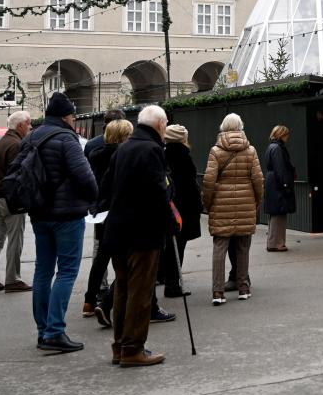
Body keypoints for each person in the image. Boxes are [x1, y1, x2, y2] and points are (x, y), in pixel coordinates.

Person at [99, 105, 174, 367]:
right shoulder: (152, 150)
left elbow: (106, 187)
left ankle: (120, 346)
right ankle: (133, 349)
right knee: (141, 292)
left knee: (122, 289)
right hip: (143, 232)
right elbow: (158, 192)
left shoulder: (123, 148)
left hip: (118, 230)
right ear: (161, 125)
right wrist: (170, 223)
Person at [27, 92, 98, 354]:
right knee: (67, 271)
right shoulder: (67, 139)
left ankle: (42, 331)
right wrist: (93, 197)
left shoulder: (32, 136)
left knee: (42, 271)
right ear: (66, 116)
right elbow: (85, 176)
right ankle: (55, 331)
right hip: (67, 215)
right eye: (72, 115)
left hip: (39, 213)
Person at [203, 113, 264, 305]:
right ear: (241, 127)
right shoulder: (251, 150)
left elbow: (208, 181)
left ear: (223, 127)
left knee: (219, 249)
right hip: (246, 202)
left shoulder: (215, 151)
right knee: (243, 248)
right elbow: (258, 179)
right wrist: (256, 201)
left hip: (221, 204)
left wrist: (208, 203)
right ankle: (243, 288)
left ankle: (218, 292)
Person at [84, 118, 132, 324]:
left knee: (102, 257)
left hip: (101, 210)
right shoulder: (125, 155)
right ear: (123, 136)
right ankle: (109, 303)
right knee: (128, 261)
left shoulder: (95, 153)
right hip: (120, 211)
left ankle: (89, 300)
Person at [0, 110, 33, 294]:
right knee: (15, 239)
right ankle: (13, 279)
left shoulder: (1, 142)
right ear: (20, 125)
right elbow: (18, 176)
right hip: (10, 199)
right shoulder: (16, 144)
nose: (30, 127)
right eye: (28, 124)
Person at [160, 123, 201, 297]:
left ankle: (165, 277)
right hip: (182, 208)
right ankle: (173, 283)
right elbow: (190, 185)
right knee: (178, 246)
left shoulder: (162, 154)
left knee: (168, 245)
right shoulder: (184, 156)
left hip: (168, 205)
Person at [264, 125, 297, 251]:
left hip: (272, 183)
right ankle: (277, 243)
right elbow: (280, 168)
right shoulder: (278, 148)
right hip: (278, 185)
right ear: (281, 134)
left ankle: (274, 242)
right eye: (286, 134)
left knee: (275, 214)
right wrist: (286, 184)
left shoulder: (272, 146)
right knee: (279, 214)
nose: (288, 137)